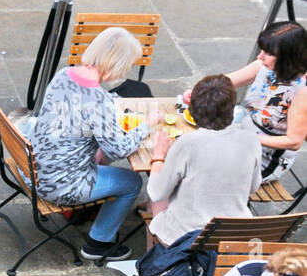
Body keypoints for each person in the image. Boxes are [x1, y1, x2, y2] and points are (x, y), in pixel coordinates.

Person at [31, 26, 159, 262]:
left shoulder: (64, 74)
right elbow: (118, 149)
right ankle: (99, 243)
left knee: (104, 156)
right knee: (132, 181)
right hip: (61, 185)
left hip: (35, 168)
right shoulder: (98, 100)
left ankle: (97, 226)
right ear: (117, 65)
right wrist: (146, 125)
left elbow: (78, 116)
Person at [144, 74, 260, 248]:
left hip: (186, 238)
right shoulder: (251, 139)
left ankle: (156, 264)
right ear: (232, 109)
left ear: (193, 109)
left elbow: (157, 192)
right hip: (233, 235)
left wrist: (159, 156)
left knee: (153, 201)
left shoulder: (187, 143)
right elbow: (253, 187)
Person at [186, 22, 307, 183]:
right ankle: (165, 200)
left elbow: (293, 142)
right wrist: (199, 91)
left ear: (288, 58)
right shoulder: (263, 66)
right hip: (241, 135)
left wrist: (244, 138)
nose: (260, 56)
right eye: (262, 50)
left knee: (205, 170)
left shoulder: (301, 92)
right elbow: (225, 82)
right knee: (190, 152)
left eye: (269, 53)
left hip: (265, 157)